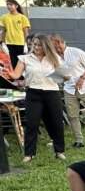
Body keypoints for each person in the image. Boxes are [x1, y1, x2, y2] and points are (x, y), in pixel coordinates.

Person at [2, 33, 65, 162]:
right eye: (34, 44)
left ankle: (59, 151)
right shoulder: (25, 59)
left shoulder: (54, 58)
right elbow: (15, 75)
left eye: (39, 45)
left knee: (56, 123)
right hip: (33, 94)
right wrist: (9, 74)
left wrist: (62, 76)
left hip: (52, 93)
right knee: (32, 124)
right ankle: (29, 154)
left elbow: (64, 76)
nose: (36, 47)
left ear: (45, 46)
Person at [0, 0, 31, 69]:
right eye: (7, 4)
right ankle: (16, 77)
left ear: (16, 6)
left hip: (20, 43)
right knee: (12, 61)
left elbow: (26, 32)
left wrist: (27, 44)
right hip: (9, 43)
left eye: (11, 4)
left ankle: (21, 76)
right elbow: (3, 31)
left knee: (21, 61)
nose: (8, 6)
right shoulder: (4, 17)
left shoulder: (23, 17)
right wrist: (1, 42)